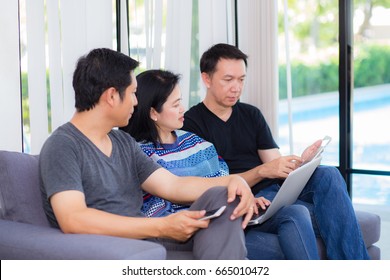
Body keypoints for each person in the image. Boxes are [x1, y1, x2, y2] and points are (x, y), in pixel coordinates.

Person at [39, 48, 255, 260]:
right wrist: (161, 226)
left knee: (220, 196)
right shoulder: (63, 145)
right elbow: (73, 219)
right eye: (133, 93)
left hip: (149, 242)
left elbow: (173, 185)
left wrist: (234, 181)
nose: (136, 102)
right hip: (118, 249)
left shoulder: (123, 143)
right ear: (112, 96)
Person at [182, 43, 370, 260]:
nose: (236, 87)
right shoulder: (192, 124)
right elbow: (209, 185)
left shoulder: (251, 115)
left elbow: (275, 165)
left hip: (274, 193)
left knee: (328, 174)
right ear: (206, 79)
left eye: (241, 79)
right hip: (246, 200)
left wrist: (300, 164)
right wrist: (262, 172)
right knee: (328, 214)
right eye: (228, 80)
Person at [120, 69, 319, 260]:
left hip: (232, 213)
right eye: (175, 105)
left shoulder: (195, 141)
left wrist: (245, 197)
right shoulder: (142, 153)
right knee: (285, 248)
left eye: (181, 101)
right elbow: (171, 198)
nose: (183, 109)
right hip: (203, 227)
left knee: (297, 212)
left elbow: (222, 179)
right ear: (153, 113)